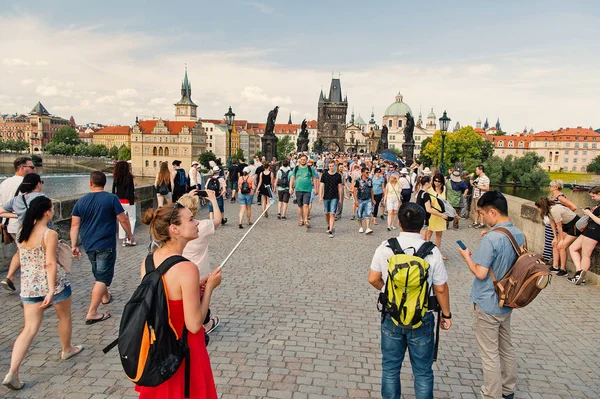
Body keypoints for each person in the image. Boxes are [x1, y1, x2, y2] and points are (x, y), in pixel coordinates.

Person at [368, 202, 451, 399]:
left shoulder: (386, 247)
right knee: (422, 372)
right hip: (422, 317)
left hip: (392, 315)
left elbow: (373, 278)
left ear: (399, 222)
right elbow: (440, 288)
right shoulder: (432, 251)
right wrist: (446, 314)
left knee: (390, 368)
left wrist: (390, 292)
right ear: (424, 222)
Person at [137, 203, 220, 398]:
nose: (197, 223)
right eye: (190, 219)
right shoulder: (187, 268)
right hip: (184, 348)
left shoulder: (148, 261)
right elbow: (193, 324)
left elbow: (164, 296)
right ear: (174, 229)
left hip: (159, 346)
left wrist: (194, 286)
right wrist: (209, 289)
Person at [2, 196, 83, 391]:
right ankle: (66, 349)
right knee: (63, 316)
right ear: (46, 212)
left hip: (29, 286)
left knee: (29, 329)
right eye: (52, 208)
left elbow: (24, 257)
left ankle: (13, 371)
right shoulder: (49, 234)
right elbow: (49, 263)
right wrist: (50, 289)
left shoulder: (23, 230)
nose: (53, 210)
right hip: (53, 284)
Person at [458, 191, 522, 399]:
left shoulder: (493, 238)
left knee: (490, 353)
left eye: (483, 214)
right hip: (508, 300)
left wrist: (467, 257)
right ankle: (508, 389)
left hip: (488, 302)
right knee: (506, 347)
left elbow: (480, 272)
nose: (483, 218)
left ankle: (491, 395)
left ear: (493, 212)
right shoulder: (517, 234)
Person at [70, 171, 134, 324]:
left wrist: (73, 245)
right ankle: (92, 312)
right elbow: (123, 219)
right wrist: (130, 234)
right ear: (105, 184)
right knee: (102, 277)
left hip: (89, 244)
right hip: (106, 244)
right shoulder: (111, 199)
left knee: (99, 273)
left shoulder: (81, 201)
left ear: (90, 183)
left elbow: (74, 225)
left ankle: (105, 296)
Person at [179, 191, 221, 333]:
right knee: (199, 300)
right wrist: (213, 200)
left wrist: (187, 196)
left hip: (181, 271)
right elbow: (217, 221)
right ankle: (206, 323)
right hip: (200, 272)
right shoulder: (201, 226)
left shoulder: (176, 228)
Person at [0, 173, 47, 293]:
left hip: (22, 232)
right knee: (42, 263)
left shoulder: (18, 199)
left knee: (26, 261)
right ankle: (38, 291)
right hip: (39, 232)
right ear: (38, 184)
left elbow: (1, 212)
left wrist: (19, 216)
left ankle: (21, 286)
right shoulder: (42, 198)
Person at [1, 157, 35, 292]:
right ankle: (29, 291)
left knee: (21, 251)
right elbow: (31, 207)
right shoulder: (26, 184)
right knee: (30, 257)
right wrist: (19, 215)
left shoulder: (4, 183)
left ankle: (9, 277)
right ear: (22, 168)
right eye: (31, 167)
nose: (34, 169)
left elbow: (1, 207)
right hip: (23, 225)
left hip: (8, 224)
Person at [534, 197, 580, 277]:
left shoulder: (554, 210)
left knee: (562, 246)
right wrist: (555, 238)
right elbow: (552, 224)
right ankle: (555, 266)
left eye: (538, 208)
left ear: (542, 206)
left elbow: (559, 226)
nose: (538, 210)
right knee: (554, 243)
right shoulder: (548, 211)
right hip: (566, 225)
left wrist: (561, 239)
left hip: (574, 225)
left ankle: (563, 269)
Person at [568, 186, 600, 285]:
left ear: (599, 193)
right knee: (573, 248)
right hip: (589, 230)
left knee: (586, 255)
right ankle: (579, 273)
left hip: (594, 231)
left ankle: (580, 276)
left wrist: (589, 214)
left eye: (593, 196)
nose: (592, 198)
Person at [543, 180, 577, 268]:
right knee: (549, 240)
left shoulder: (560, 197)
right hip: (551, 223)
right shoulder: (552, 196)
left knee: (555, 241)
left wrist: (563, 217)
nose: (549, 187)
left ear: (556, 187)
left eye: (551, 185)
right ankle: (550, 260)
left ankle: (552, 261)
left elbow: (573, 207)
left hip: (558, 223)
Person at [289, 154, 319, 228]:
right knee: (300, 206)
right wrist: (290, 187)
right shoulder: (296, 168)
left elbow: (314, 178)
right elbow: (292, 178)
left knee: (306, 205)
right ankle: (301, 219)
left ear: (306, 160)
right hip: (298, 189)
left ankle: (306, 220)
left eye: (304, 160)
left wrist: (316, 188)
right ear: (299, 160)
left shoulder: (310, 168)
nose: (303, 161)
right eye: (301, 159)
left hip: (307, 190)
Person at [112, 161, 137, 247]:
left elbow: (113, 190)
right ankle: (130, 237)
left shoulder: (116, 177)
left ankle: (123, 239)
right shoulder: (129, 177)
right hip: (128, 201)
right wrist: (131, 202)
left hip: (119, 201)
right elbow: (131, 191)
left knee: (121, 220)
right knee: (132, 219)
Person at [319, 160, 343, 238]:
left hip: (335, 196)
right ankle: (329, 225)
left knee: (332, 213)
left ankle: (331, 230)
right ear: (328, 166)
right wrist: (320, 196)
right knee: (326, 213)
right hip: (326, 196)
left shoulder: (338, 176)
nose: (331, 167)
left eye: (332, 166)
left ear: (335, 166)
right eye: (330, 166)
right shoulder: (325, 175)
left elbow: (339, 187)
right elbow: (321, 186)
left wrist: (340, 198)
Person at [427, 173, 449, 257]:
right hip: (432, 213)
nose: (437, 182)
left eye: (439, 181)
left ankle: (438, 252)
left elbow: (446, 201)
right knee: (429, 233)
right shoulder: (430, 189)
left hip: (441, 214)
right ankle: (426, 250)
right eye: (435, 180)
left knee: (439, 235)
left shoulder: (444, 189)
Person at [353, 167, 375, 234]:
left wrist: (373, 199)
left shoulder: (370, 180)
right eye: (366, 172)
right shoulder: (358, 180)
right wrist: (356, 200)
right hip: (360, 199)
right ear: (362, 173)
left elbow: (371, 190)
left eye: (368, 172)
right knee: (359, 214)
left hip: (368, 199)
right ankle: (361, 227)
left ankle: (368, 228)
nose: (368, 173)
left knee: (368, 213)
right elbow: (354, 191)